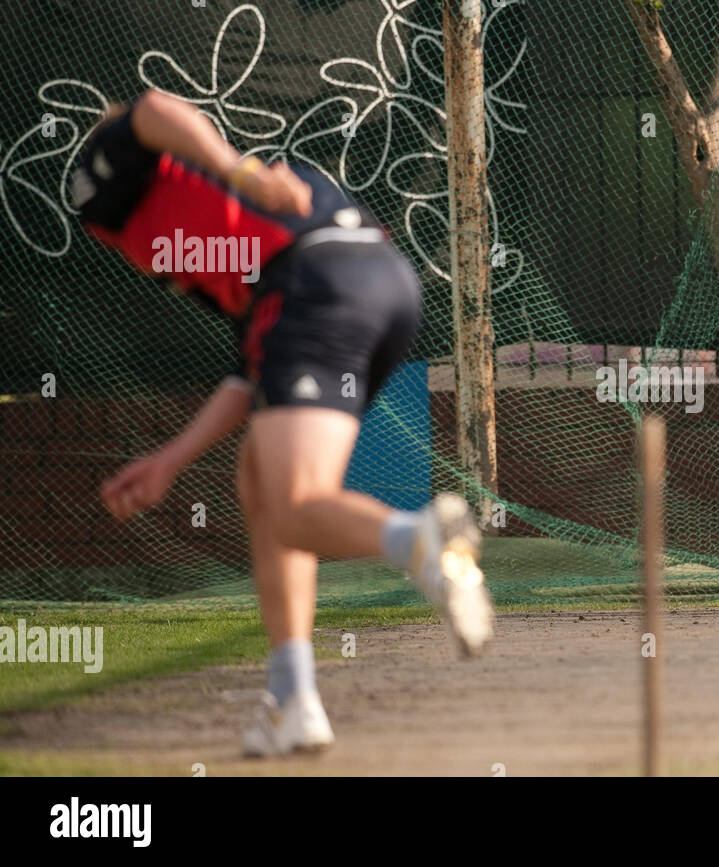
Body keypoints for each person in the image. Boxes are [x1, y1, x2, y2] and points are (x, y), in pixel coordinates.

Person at [74, 88, 495, 755]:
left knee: (296, 505)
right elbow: (253, 372)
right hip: (381, 286)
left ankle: (421, 541)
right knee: (261, 485)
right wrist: (172, 459)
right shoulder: (225, 238)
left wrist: (237, 169)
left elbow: (153, 108)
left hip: (316, 287)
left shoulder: (135, 181)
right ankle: (293, 698)